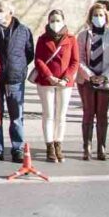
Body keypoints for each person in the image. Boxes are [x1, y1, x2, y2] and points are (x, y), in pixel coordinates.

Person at [0, 2, 35, 163]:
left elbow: (29, 53)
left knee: (16, 116)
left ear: (10, 12)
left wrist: (19, 68)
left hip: (15, 79)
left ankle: (17, 148)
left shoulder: (23, 30)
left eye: (1, 10)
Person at [76, 3, 109, 161]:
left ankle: (101, 147)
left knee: (102, 113)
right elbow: (79, 59)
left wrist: (104, 76)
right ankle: (86, 147)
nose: (98, 18)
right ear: (90, 18)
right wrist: (90, 76)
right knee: (88, 112)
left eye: (101, 15)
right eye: (95, 15)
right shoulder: (83, 36)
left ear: (106, 17)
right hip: (87, 79)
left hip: (107, 79)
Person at [33, 9, 79, 163]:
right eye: (52, 20)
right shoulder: (42, 39)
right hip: (47, 81)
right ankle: (49, 146)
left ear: (64, 21)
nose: (55, 23)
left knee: (61, 114)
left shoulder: (71, 39)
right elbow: (38, 59)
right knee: (48, 114)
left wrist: (66, 78)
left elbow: (75, 61)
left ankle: (58, 143)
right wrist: (49, 76)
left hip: (65, 82)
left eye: (58, 20)